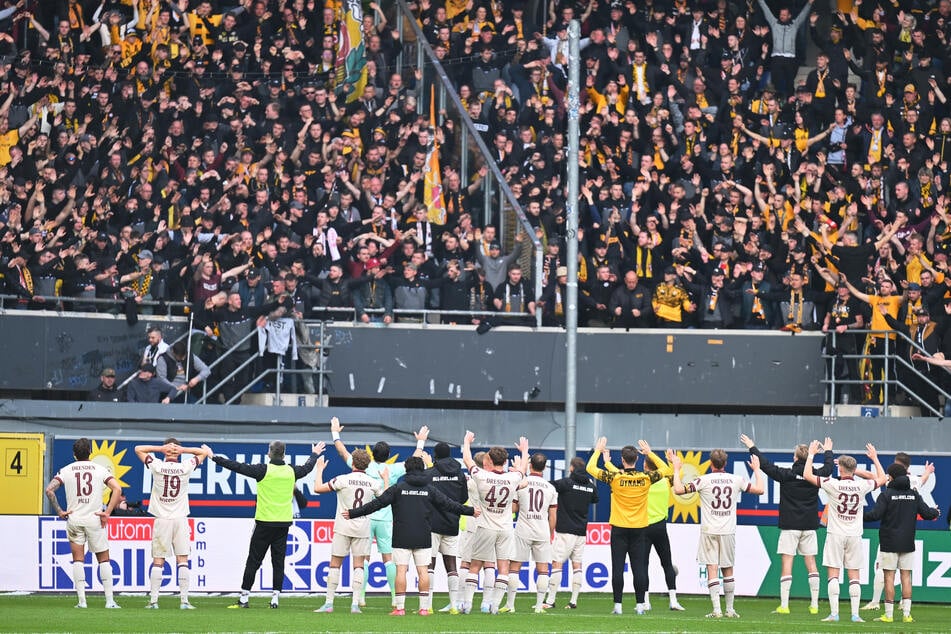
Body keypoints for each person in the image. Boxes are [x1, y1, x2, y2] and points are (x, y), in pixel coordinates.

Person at [343, 455, 478, 616]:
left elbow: (376, 504)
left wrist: (353, 513)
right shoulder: (429, 489)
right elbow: (449, 504)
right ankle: (424, 608)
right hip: (423, 535)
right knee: (423, 571)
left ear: (406, 469)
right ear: (422, 469)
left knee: (401, 571)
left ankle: (400, 608)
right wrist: (470, 511)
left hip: (402, 535)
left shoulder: (398, 488)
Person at [206, 440, 323, 608]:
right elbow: (307, 467)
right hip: (283, 524)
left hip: (264, 523)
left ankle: (244, 598)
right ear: (284, 454)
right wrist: (314, 453)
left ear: (269, 453)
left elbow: (236, 466)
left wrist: (213, 457)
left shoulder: (262, 470)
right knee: (278, 562)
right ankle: (275, 599)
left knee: (253, 561)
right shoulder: (291, 471)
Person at [328, 417, 428, 607]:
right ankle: (393, 597)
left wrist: (335, 433)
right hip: (386, 518)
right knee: (388, 558)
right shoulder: (394, 468)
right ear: (388, 454)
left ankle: (362, 596)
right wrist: (420, 441)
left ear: (372, 454)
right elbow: (415, 459)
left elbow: (342, 452)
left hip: (366, 517)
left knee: (362, 559)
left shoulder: (365, 466)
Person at [740, 434, 834, 615]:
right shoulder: (815, 476)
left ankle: (784, 605)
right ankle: (814, 605)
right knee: (811, 563)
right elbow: (829, 468)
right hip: (809, 526)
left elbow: (765, 465)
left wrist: (752, 446)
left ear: (796, 458)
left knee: (787, 563)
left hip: (790, 526)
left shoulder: (787, 475)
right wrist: (828, 451)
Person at [670, 445, 765, 619]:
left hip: (709, 530)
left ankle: (716, 610)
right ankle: (730, 610)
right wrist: (757, 470)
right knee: (728, 569)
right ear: (725, 463)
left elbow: (678, 490)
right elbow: (760, 489)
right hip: (728, 531)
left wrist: (676, 469)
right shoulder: (736, 480)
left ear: (711, 463)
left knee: (712, 568)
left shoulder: (702, 480)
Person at [801, 441, 886, 623]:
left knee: (834, 574)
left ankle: (834, 614)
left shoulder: (832, 484)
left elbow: (807, 474)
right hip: (855, 535)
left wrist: (811, 454)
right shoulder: (862, 486)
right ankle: (855, 615)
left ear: (839, 469)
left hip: (836, 534)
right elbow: (883, 478)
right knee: (854, 575)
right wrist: (875, 458)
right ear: (854, 470)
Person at [587, 436, 666, 615]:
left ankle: (618, 606)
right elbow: (666, 469)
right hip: (639, 529)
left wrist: (598, 451)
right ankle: (640, 606)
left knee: (617, 567)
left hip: (619, 529)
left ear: (622, 460)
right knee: (639, 567)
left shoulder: (616, 477)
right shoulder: (645, 478)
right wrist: (650, 453)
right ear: (637, 459)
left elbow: (590, 468)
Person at [44, 438, 123, 609]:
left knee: (78, 560)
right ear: (90, 453)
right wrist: (107, 512)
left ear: (74, 455)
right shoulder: (100, 469)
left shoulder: (66, 470)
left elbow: (49, 490)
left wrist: (59, 511)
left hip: (75, 519)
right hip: (94, 518)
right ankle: (109, 601)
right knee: (103, 559)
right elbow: (117, 489)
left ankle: (82, 601)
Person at [134, 440, 212, 609]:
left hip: (162, 518)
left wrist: (160, 449)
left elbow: (138, 449)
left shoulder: (157, 465)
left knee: (158, 561)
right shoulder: (186, 467)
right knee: (182, 560)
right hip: (180, 518)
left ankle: (154, 601)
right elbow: (203, 452)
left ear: (165, 452)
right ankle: (184, 601)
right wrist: (182, 450)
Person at [460, 430, 529, 614]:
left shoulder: (482, 477)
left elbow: (467, 460)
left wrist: (467, 442)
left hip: (485, 526)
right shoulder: (512, 477)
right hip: (506, 528)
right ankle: (495, 606)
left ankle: (466, 605)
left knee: (474, 565)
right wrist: (524, 452)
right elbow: (522, 472)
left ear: (489, 460)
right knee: (503, 567)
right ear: (505, 462)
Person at [863, 462, 941, 623]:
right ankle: (906, 615)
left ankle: (889, 615)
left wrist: (857, 514)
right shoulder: (913, 494)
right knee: (906, 577)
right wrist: (936, 512)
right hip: (907, 542)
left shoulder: (886, 495)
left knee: (889, 578)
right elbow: (927, 513)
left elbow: (875, 515)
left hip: (889, 542)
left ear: (890, 477)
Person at [312, 446, 383, 614]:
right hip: (363, 528)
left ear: (352, 464)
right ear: (367, 465)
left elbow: (317, 488)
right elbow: (385, 498)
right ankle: (355, 605)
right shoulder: (374, 483)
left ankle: (329, 604)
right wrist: (385, 480)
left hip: (343, 527)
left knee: (335, 564)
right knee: (359, 566)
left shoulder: (342, 479)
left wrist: (319, 469)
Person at [503, 452, 557, 614]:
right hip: (542, 531)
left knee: (514, 568)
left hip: (523, 529)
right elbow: (553, 515)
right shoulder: (551, 488)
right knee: (542, 570)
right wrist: (550, 533)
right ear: (545, 467)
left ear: (530, 465)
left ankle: (510, 605)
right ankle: (539, 606)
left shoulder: (523, 483)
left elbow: (513, 508)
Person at [542, 457, 598, 610]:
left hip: (565, 531)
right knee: (577, 566)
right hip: (581, 532)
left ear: (572, 468)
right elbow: (595, 499)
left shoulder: (566, 483)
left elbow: (547, 486)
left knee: (557, 564)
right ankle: (573, 601)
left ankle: (551, 600)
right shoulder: (590, 486)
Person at [423, 441, 469, 614]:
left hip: (432, 523)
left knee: (430, 564)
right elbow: (463, 499)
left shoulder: (429, 474)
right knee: (451, 565)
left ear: (435, 455)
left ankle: (428, 605)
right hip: (452, 522)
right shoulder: (460, 474)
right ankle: (454, 606)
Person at [641, 451, 684, 611]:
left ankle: (645, 602)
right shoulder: (666, 481)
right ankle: (673, 600)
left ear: (645, 466)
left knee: (642, 565)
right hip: (660, 527)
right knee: (667, 564)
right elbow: (678, 472)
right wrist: (672, 461)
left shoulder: (642, 482)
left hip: (644, 527)